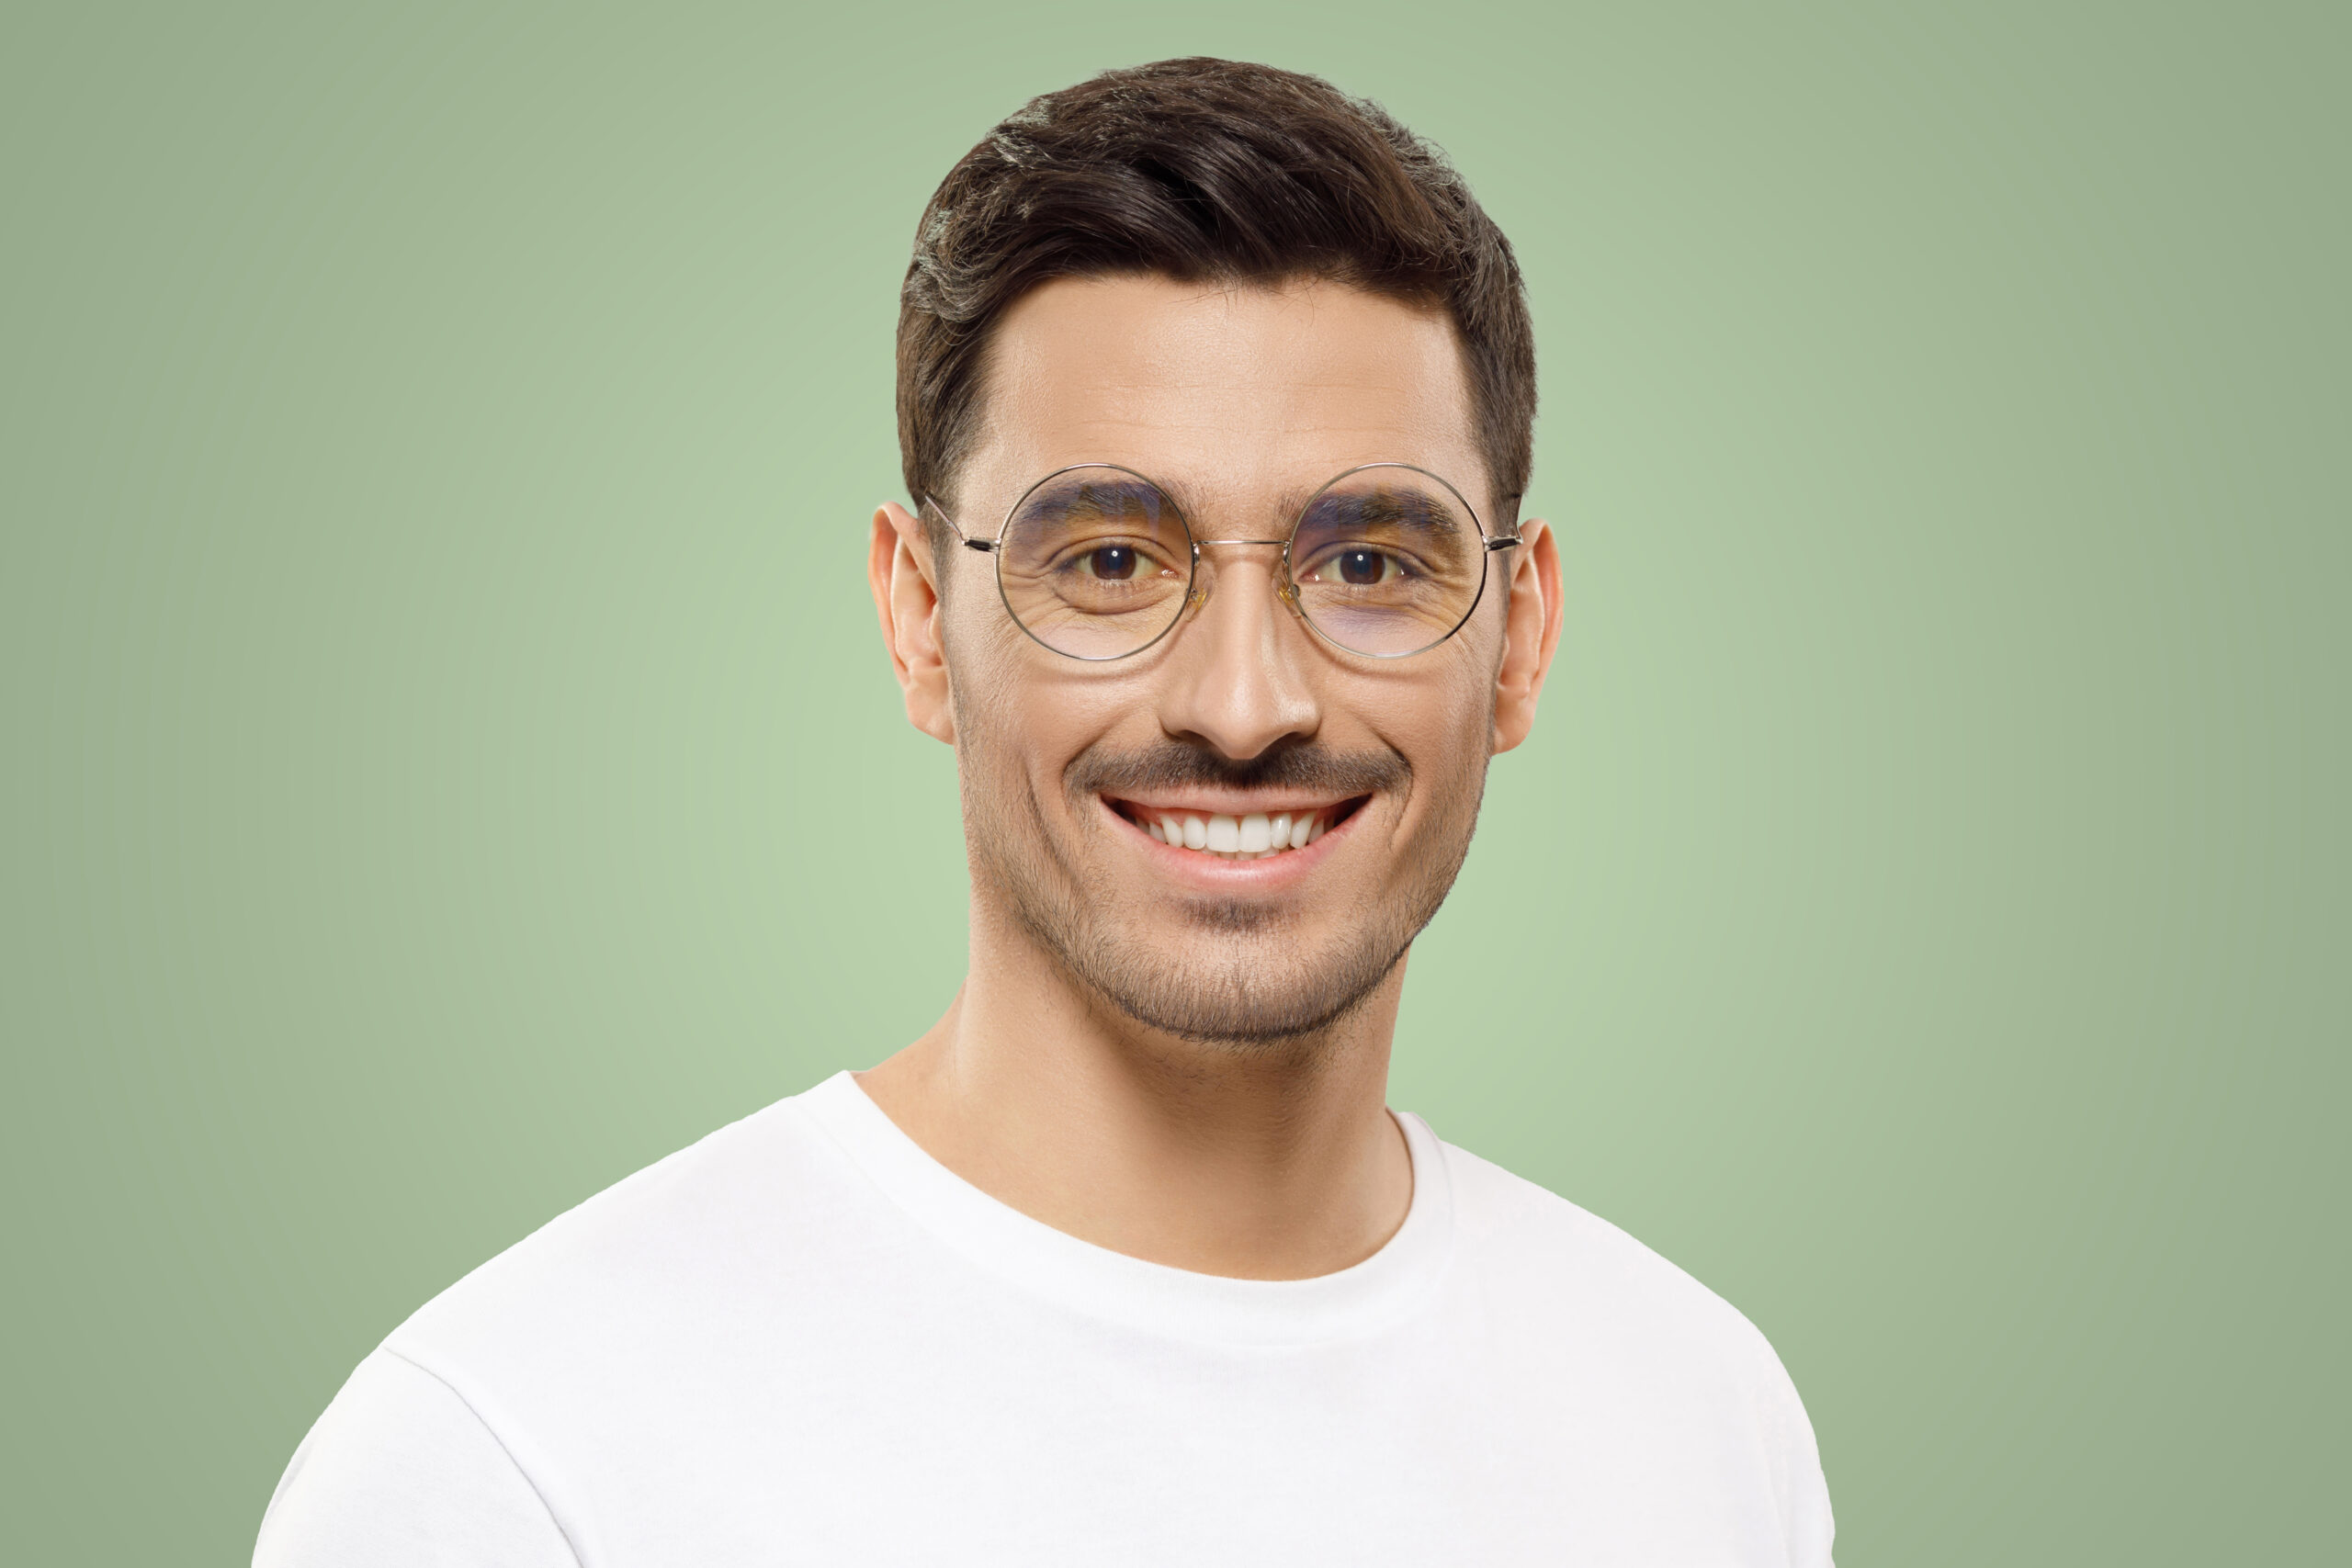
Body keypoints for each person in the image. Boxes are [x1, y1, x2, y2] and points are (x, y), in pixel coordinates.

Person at [255, 57, 1834, 1566]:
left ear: (1524, 635)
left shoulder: (1701, 1418)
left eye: (1367, 563)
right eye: (1107, 560)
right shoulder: (515, 1464)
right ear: (919, 619)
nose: (1242, 703)